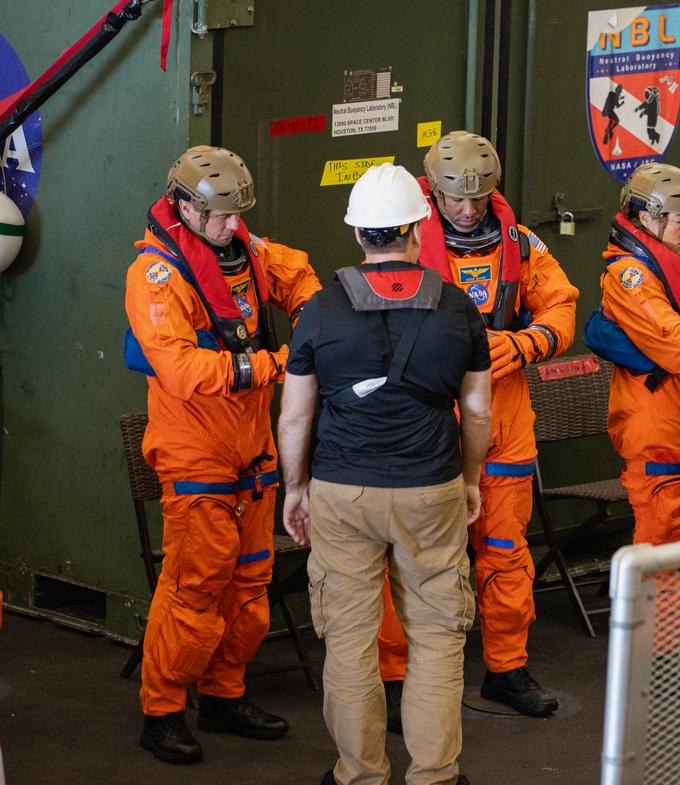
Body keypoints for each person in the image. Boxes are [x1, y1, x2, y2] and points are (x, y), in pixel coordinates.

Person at [277, 162, 491, 785]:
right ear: (419, 228)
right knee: (436, 638)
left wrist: (295, 489)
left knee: (348, 644)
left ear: (358, 234)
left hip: (343, 493)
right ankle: (434, 775)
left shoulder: (318, 311)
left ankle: (359, 775)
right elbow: (476, 410)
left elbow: (295, 415)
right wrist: (472, 480)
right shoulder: (459, 310)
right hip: (432, 489)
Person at [123, 145, 321, 764]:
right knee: (193, 591)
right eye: (219, 217)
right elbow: (179, 367)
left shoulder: (250, 256)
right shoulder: (156, 274)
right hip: (195, 454)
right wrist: (273, 364)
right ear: (184, 208)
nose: (232, 227)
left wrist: (313, 326)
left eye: (237, 215)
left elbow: (302, 276)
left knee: (250, 586)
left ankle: (224, 693)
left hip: (253, 449)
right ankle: (161, 711)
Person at [374, 131, 578, 719]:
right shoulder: (402, 239)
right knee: (411, 558)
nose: (468, 210)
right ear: (432, 192)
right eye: (455, 199)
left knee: (505, 550)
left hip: (505, 418)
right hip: (426, 421)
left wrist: (522, 344)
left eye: (479, 199)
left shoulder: (521, 243)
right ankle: (395, 678)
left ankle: (507, 668)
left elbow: (562, 307)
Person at [584, 162, 680, 653]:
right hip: (659, 426)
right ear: (647, 218)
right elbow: (677, 346)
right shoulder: (628, 274)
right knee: (664, 545)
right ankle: (658, 659)